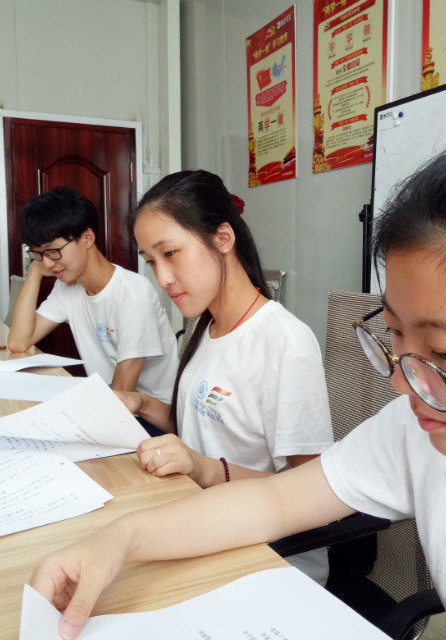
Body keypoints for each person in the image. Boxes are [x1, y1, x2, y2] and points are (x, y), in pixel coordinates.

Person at [30, 130, 446, 640]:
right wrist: (118, 541)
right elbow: (277, 501)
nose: (402, 385)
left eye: (444, 352)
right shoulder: (421, 429)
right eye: (394, 335)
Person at [116, 170, 334, 584]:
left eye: (171, 253)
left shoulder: (286, 342)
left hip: (270, 557)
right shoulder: (205, 327)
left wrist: (203, 469)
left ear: (223, 238)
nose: (162, 278)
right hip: (203, 527)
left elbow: (312, 493)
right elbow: (202, 429)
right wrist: (140, 403)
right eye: (151, 262)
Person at [7, 186, 178, 410]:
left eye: (53, 251)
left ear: (87, 238)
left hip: (147, 415)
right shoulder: (66, 287)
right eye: (39, 254)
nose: (47, 262)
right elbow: (18, 342)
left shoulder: (133, 295)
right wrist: (34, 272)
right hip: (108, 399)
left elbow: (121, 399)